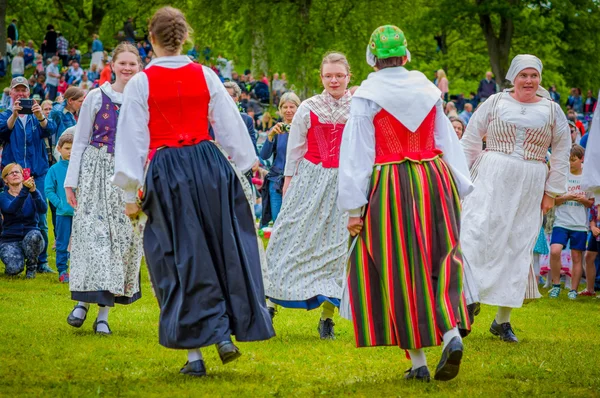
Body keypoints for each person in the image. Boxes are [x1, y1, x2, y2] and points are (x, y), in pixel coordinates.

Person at [112, 7, 274, 377]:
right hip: (208, 165)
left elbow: (134, 138)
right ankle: (222, 333)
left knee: (178, 256)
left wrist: (129, 192)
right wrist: (247, 164)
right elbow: (230, 126)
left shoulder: (141, 83)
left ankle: (196, 355)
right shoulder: (206, 75)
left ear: (151, 40)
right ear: (185, 37)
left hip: (168, 170)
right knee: (222, 247)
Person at [338, 25, 473, 383]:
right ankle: (447, 337)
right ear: (406, 54)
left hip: (391, 182)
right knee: (440, 256)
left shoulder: (367, 95)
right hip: (434, 176)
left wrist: (354, 208)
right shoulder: (427, 89)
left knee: (397, 267)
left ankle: (422, 359)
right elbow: (446, 139)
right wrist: (460, 184)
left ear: (372, 58)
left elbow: (358, 153)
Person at [460, 54, 570, 343]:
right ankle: (468, 299)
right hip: (491, 175)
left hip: (530, 182)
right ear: (513, 76)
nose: (529, 81)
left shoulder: (552, 110)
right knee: (474, 233)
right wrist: (462, 181)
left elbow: (560, 152)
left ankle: (502, 320)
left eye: (534, 75)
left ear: (540, 79)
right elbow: (471, 137)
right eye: (524, 75)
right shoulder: (495, 102)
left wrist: (551, 192)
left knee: (516, 245)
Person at [265, 52, 352, 338]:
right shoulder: (309, 106)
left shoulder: (359, 108)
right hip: (311, 177)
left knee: (338, 248)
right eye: (329, 76)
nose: (334, 80)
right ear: (321, 77)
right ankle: (269, 304)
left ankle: (327, 317)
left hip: (345, 182)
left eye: (339, 75)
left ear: (349, 76)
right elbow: (295, 149)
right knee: (289, 238)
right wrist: (289, 182)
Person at [63, 42, 144, 336]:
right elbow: (81, 141)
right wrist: (71, 181)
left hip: (128, 177)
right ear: (112, 65)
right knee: (92, 237)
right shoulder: (96, 97)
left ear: (139, 67)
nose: (127, 68)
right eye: (122, 63)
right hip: (96, 172)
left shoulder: (142, 100)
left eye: (132, 64)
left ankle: (103, 315)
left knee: (121, 243)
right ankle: (83, 303)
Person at [0, 77, 56, 274]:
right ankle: (13, 252)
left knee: (40, 217)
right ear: (11, 93)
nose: (21, 94)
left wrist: (41, 115)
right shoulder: (6, 114)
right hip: (12, 174)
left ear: (29, 93)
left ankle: (41, 262)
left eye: (24, 91)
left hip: (36, 173)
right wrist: (14, 115)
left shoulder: (35, 115)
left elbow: (50, 130)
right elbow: (1, 133)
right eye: (17, 91)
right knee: (10, 213)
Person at [548, 144, 593, 299]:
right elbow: (553, 201)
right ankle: (555, 285)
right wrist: (565, 197)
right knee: (554, 251)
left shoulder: (587, 179)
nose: (570, 163)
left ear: (581, 160)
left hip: (579, 224)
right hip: (561, 221)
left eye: (573, 160)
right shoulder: (562, 176)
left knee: (576, 257)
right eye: (568, 160)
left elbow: (592, 203)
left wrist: (583, 200)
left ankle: (573, 290)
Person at [259, 92, 300, 226]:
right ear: (280, 110)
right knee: (278, 221)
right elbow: (264, 156)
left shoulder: (303, 129)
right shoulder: (277, 130)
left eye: (292, 107)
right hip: (276, 181)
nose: (288, 110)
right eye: (285, 107)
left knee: (295, 221)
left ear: (298, 108)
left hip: (296, 180)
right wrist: (270, 136)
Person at [0, 163, 46, 278]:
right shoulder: (2, 196)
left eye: (18, 172)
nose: (15, 174)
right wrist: (25, 190)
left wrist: (34, 192)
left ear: (23, 175)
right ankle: (15, 262)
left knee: (34, 236)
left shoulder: (32, 193)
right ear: (6, 180)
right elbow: (11, 209)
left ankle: (32, 268)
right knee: (14, 269)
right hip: (10, 240)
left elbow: (43, 209)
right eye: (11, 173)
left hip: (31, 237)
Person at [45, 132, 74, 283]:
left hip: (81, 213)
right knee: (62, 242)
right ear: (59, 148)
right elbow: (49, 189)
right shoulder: (54, 170)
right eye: (67, 148)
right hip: (63, 213)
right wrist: (59, 204)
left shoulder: (81, 167)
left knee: (81, 241)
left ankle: (79, 269)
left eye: (73, 148)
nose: (70, 151)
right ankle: (62, 270)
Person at [223, 81, 258, 154]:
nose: (224, 98)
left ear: (236, 98)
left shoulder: (246, 120)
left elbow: (252, 148)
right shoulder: (213, 120)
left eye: (228, 96)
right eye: (222, 95)